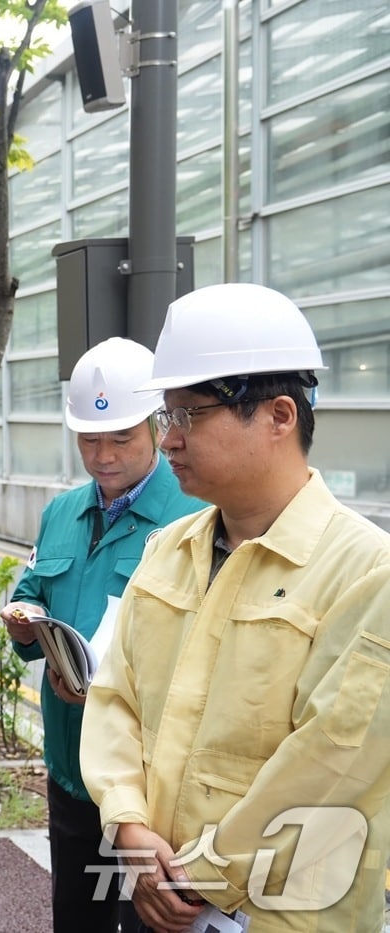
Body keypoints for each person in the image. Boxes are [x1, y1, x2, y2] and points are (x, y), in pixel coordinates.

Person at [80, 283, 390, 933]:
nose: (169, 441)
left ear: (280, 415)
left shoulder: (366, 571)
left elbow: (331, 761)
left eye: (190, 415)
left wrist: (195, 876)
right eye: (166, 417)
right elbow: (115, 698)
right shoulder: (170, 549)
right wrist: (129, 824)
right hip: (155, 897)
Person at [0, 337, 203, 932]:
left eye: (121, 437)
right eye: (90, 438)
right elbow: (36, 586)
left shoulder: (190, 518)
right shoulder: (63, 511)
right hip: (71, 769)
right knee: (77, 919)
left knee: (149, 921)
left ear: (157, 427)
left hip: (149, 789)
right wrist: (25, 618)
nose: (104, 454)